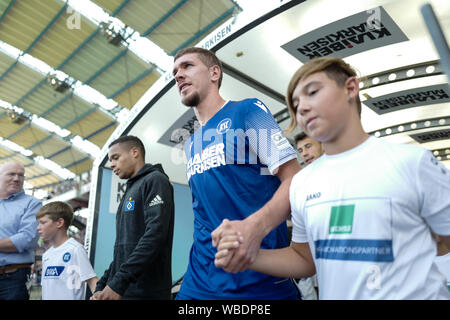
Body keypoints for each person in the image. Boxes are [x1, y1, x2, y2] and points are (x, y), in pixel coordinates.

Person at [215, 56, 450, 299]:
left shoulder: (413, 162)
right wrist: (250, 256)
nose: (302, 108)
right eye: (296, 104)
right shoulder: (302, 184)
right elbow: (305, 259)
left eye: (313, 92)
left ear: (350, 88)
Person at [172, 47, 302, 299]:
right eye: (175, 72)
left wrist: (255, 226)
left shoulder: (247, 111)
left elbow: (294, 178)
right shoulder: (191, 144)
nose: (178, 75)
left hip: (256, 280)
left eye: (187, 66)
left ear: (214, 73)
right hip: (199, 281)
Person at [92, 135, 174, 300]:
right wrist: (104, 284)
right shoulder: (130, 189)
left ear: (135, 152)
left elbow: (154, 236)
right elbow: (124, 250)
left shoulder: (155, 180)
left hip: (148, 293)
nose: (112, 164)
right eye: (110, 160)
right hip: (127, 290)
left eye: (116, 157)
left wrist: (119, 282)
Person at [37, 201, 98, 300]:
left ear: (60, 223)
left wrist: (98, 295)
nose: (38, 227)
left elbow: (92, 280)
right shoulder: (47, 255)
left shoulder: (75, 249)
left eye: (43, 223)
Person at [0, 161, 41, 300]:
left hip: (12, 279)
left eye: (21, 175)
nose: (17, 178)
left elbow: (26, 239)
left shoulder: (32, 203)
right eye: (11, 174)